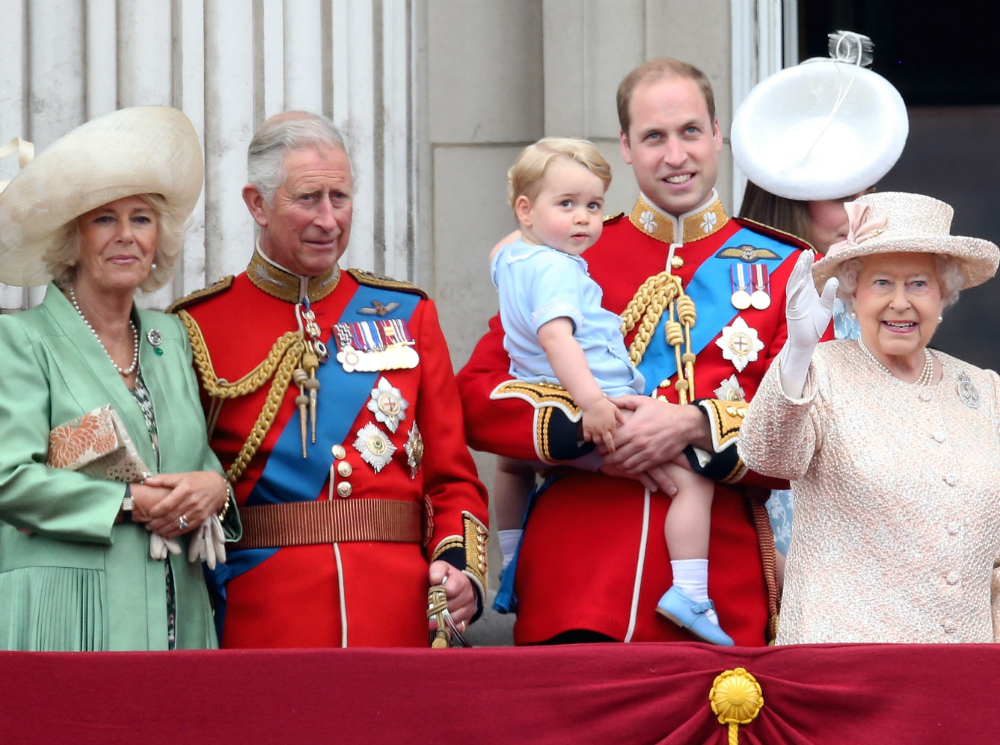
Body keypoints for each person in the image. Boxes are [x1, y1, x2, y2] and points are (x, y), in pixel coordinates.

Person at [458, 58, 821, 646]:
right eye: (654, 137)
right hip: (576, 581)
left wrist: (693, 425)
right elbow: (478, 396)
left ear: (717, 134)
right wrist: (588, 430)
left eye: (690, 132)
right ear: (626, 147)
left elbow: (814, 435)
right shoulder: (570, 254)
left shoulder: (785, 267)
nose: (675, 155)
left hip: (719, 590)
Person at [169, 111, 490, 648]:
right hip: (260, 614)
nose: (328, 219)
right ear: (257, 204)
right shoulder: (197, 326)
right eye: (307, 199)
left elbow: (452, 478)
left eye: (339, 198)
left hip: (395, 615)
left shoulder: (409, 314)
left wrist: (460, 570)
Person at [0, 106, 237, 651]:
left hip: (178, 612)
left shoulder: (170, 337)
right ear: (72, 239)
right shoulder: (20, 342)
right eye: (104, 219)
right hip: (68, 616)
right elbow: (9, 478)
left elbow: (195, 462)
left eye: (142, 218)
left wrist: (216, 488)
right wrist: (129, 503)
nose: (126, 236)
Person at [491, 137, 730, 645]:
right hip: (600, 408)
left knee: (511, 469)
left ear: (715, 134)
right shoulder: (561, 265)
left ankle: (511, 559)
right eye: (568, 206)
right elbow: (542, 349)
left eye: (593, 206)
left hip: (548, 401)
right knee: (689, 480)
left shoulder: (515, 255)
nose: (582, 220)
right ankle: (690, 591)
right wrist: (594, 406)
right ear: (627, 142)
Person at [739, 191, 1000, 643]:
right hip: (845, 670)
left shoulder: (983, 388)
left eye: (918, 283)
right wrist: (797, 353)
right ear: (853, 293)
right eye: (882, 283)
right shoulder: (819, 370)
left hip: (963, 670)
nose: (900, 302)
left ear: (944, 295)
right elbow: (767, 456)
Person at [732, 31, 909, 579]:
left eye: (867, 193)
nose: (861, 212)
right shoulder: (747, 281)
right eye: (843, 197)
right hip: (775, 531)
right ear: (790, 198)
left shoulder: (885, 292)